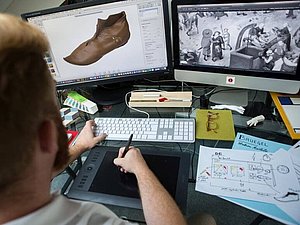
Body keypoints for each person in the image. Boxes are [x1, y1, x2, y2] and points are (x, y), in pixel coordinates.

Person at [0, 13, 216, 225]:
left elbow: (29, 170)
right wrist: (141, 171)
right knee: (206, 219)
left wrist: (80, 146)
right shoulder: (91, 219)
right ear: (48, 137)